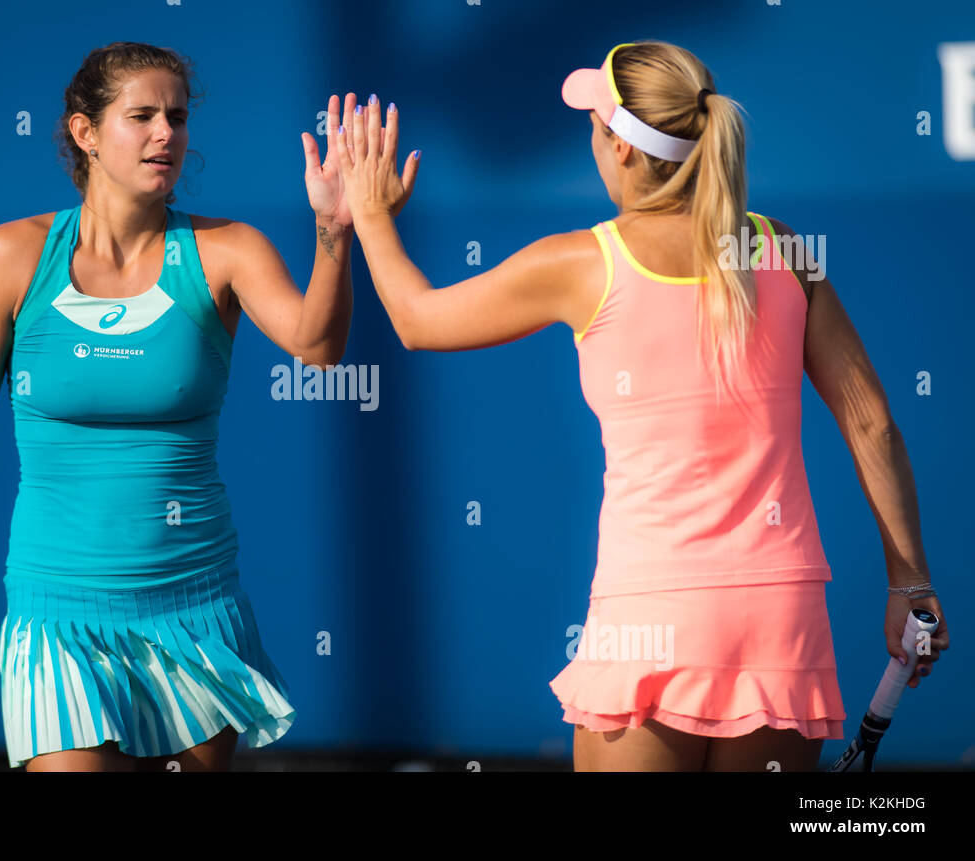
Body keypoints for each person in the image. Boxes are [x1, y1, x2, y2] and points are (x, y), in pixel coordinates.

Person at [337, 40, 949, 771]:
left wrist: (369, 214)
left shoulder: (580, 261)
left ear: (621, 149)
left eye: (595, 124)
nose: (591, 141)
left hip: (649, 615)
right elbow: (871, 420)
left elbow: (416, 319)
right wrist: (911, 582)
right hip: (783, 617)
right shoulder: (782, 248)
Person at [0, 42, 360, 771]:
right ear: (85, 132)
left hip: (196, 609)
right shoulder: (10, 256)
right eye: (143, 115)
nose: (167, 134)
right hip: (55, 614)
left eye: (179, 117)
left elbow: (318, 345)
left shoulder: (227, 250)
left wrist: (334, 232)